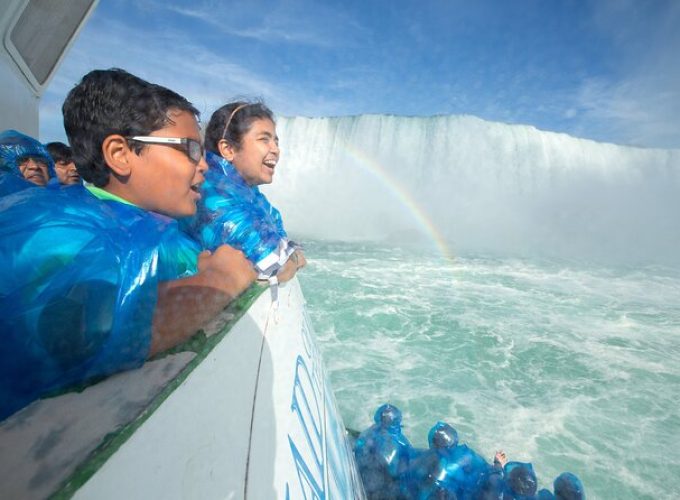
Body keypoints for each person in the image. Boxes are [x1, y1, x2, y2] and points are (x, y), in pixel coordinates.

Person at [0, 68, 255, 420]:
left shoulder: (150, 224)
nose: (205, 167)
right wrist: (222, 279)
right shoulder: (60, 232)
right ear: (120, 153)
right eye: (191, 149)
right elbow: (81, 330)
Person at [182, 101, 305, 282]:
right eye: (264, 139)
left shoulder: (244, 191)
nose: (276, 150)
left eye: (276, 141)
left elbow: (277, 228)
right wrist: (294, 258)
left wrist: (288, 252)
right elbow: (275, 264)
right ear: (228, 149)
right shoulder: (215, 197)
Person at [354, 404, 414, 499]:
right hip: (384, 491)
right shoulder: (402, 444)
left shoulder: (367, 433)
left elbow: (358, 448)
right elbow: (405, 472)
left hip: (362, 481)